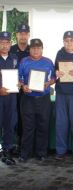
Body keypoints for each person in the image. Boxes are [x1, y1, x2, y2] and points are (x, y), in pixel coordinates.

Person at [18, 38, 55, 162]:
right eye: (33, 48)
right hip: (28, 99)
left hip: (44, 98)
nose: (36, 50)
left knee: (43, 126)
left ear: (42, 49)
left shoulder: (48, 62)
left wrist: (48, 83)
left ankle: (41, 153)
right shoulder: (24, 62)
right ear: (30, 49)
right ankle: (25, 153)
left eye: (38, 48)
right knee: (28, 127)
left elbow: (54, 78)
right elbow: (19, 79)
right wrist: (23, 86)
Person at [54, 31, 73, 162]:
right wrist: (57, 72)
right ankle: (61, 151)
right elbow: (55, 70)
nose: (69, 43)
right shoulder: (59, 53)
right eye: (66, 40)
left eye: (72, 40)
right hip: (61, 93)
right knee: (61, 123)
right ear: (63, 41)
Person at [10, 23, 30, 155]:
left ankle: (24, 146)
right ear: (16, 35)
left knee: (25, 118)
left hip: (28, 91)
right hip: (12, 90)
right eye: (20, 33)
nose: (23, 36)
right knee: (13, 118)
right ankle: (11, 145)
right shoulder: (10, 50)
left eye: (25, 33)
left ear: (28, 35)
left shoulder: (32, 49)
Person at [0, 31, 18, 165]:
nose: (5, 45)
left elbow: (20, 76)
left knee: (9, 124)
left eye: (7, 42)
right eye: (2, 42)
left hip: (11, 97)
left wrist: (20, 83)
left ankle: (6, 152)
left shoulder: (14, 58)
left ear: (10, 44)